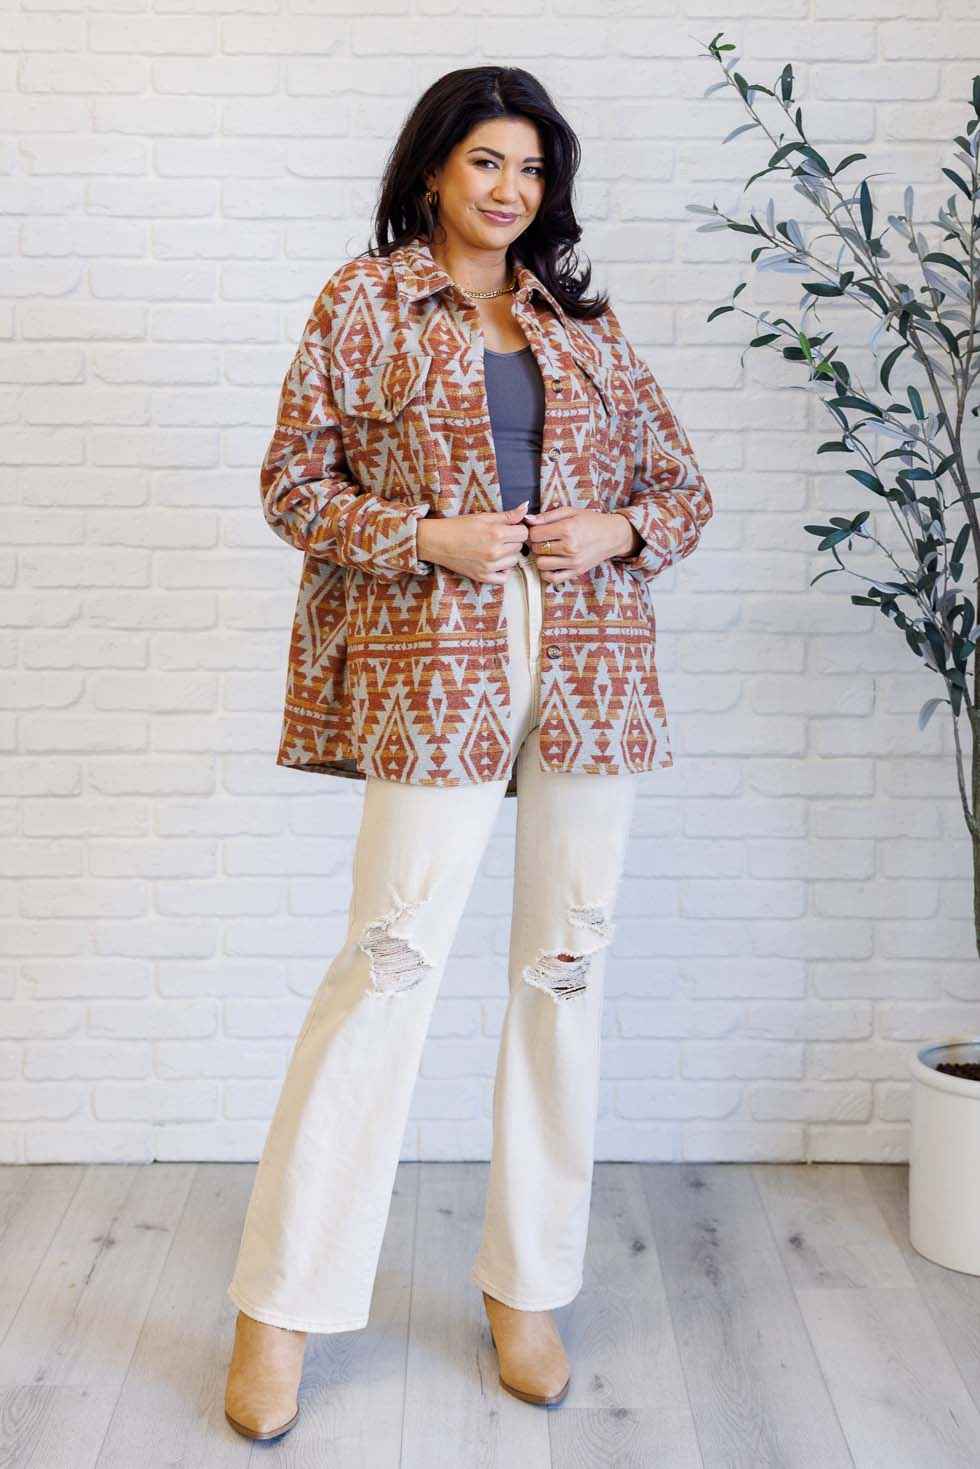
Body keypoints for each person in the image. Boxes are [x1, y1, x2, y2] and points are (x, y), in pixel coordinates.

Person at [223, 64, 713, 1441]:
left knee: (566, 969)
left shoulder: (581, 318)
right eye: (488, 161)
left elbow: (681, 487)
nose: (511, 190)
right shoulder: (364, 302)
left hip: (591, 666)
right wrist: (423, 535)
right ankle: (282, 1304)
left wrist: (616, 530)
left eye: (533, 169)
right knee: (387, 963)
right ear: (435, 166)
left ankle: (528, 1286)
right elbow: (291, 483)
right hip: (435, 661)